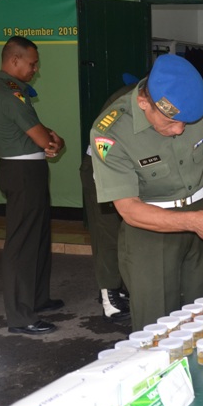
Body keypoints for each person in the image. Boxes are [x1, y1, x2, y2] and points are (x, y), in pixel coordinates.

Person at [90, 54, 203, 332]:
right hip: (150, 226)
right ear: (143, 103)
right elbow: (128, 208)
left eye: (187, 122)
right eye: (171, 123)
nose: (180, 129)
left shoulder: (201, 102)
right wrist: (196, 223)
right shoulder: (112, 131)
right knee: (157, 324)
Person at [0, 36, 65, 335]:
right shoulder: (9, 93)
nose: (35, 69)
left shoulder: (13, 91)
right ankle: (21, 316)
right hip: (21, 170)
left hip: (28, 168)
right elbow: (44, 138)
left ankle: (37, 299)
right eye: (32, 63)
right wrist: (52, 140)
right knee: (22, 242)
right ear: (14, 60)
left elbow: (46, 135)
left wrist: (52, 138)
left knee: (36, 236)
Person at [79, 73, 139, 323]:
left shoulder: (146, 95)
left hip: (125, 170)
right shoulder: (128, 101)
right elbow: (105, 144)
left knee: (126, 234)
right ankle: (109, 297)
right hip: (101, 168)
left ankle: (122, 289)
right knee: (108, 235)